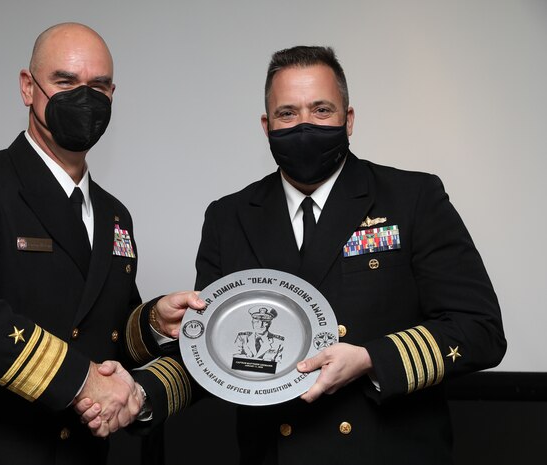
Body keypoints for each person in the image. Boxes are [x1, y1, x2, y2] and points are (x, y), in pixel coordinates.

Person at [98, 45, 505, 464]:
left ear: (348, 120)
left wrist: (369, 360)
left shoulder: (412, 199)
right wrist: (141, 392)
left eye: (322, 110)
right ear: (267, 125)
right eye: (288, 113)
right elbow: (213, 353)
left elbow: (479, 329)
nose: (304, 125)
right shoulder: (230, 217)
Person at [0, 22, 201, 465]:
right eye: (65, 81)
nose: (84, 98)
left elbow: (107, 333)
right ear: (28, 87)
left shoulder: (114, 214)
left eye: (98, 86)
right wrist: (82, 380)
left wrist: (153, 322)